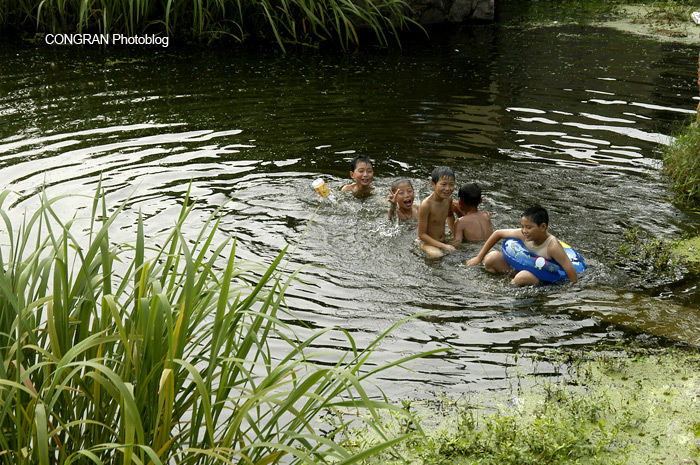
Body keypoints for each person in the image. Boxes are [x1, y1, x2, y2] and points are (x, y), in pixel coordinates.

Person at [466, 206, 578, 286]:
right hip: (521, 268)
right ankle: (497, 280)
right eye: (522, 226)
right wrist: (479, 257)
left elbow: (572, 273)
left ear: (543, 227)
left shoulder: (552, 246)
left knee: (522, 277)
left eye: (528, 227)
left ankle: (505, 291)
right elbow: (498, 233)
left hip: (542, 277)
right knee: (491, 258)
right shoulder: (523, 234)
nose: (524, 231)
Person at [417, 167, 457, 258]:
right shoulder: (426, 205)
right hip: (426, 242)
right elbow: (421, 234)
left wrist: (454, 235)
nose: (447, 189)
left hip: (442, 240)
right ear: (433, 184)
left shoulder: (448, 199)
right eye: (443, 184)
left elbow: (450, 216)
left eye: (451, 184)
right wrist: (443, 246)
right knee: (437, 255)